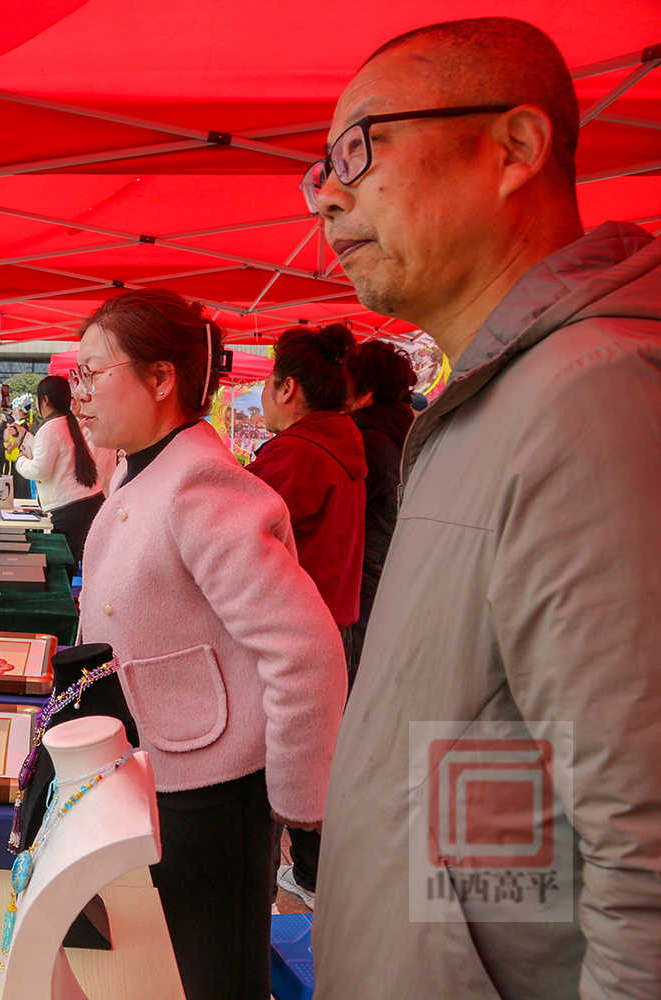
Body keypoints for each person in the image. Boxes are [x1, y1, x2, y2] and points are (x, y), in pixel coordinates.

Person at [305, 18, 661, 999]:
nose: (329, 195)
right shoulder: (498, 401)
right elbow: (504, 754)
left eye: (359, 148)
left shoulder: (589, 398)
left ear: (516, 148)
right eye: (322, 169)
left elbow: (643, 858)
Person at [72, 289, 346, 1000]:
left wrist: (296, 802)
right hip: (161, 766)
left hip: (212, 791)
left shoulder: (199, 480)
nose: (80, 393)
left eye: (93, 373)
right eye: (77, 375)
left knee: (214, 975)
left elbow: (304, 648)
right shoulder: (140, 466)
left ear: (162, 378)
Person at [247, 322, 366, 909]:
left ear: (288, 388)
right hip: (333, 624)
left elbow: (242, 542)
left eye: (268, 385)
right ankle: (315, 878)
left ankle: (279, 890)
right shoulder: (343, 440)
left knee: (280, 773)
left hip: (295, 634)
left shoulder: (295, 454)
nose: (263, 398)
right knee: (315, 764)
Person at [342, 338, 416, 685]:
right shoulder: (408, 435)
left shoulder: (365, 443)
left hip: (363, 586)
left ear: (366, 394)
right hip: (396, 575)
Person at [13, 375, 105, 562]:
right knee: (86, 563)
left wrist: (20, 460)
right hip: (90, 501)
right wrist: (25, 440)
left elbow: (40, 470)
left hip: (70, 509)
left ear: (45, 400)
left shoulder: (51, 427)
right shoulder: (68, 423)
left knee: (63, 566)